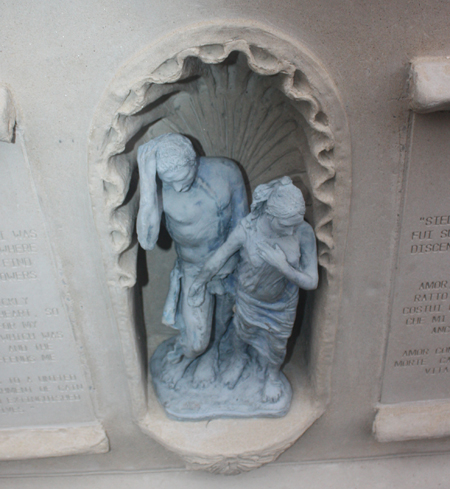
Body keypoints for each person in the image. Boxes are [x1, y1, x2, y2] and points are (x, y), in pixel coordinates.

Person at [189, 176, 318, 402]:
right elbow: (219, 256)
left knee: (277, 345)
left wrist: (283, 267)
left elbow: (312, 281)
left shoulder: (303, 232)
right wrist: (198, 283)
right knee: (242, 333)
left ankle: (273, 376)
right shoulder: (248, 228)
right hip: (249, 298)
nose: (290, 231)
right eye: (285, 225)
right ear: (270, 213)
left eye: (294, 225)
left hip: (281, 304)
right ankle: (239, 360)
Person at [137, 133, 248, 388]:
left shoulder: (226, 171)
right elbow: (147, 241)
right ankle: (189, 356)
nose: (176, 187)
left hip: (231, 261)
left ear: (193, 161)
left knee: (223, 319)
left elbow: (242, 221)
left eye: (180, 178)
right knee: (197, 338)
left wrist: (229, 260)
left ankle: (210, 358)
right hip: (194, 269)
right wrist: (146, 186)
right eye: (169, 181)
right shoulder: (161, 191)